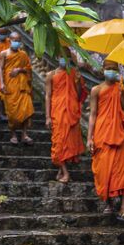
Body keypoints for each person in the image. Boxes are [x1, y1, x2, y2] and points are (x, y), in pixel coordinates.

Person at [87, 60, 124, 220]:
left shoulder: (122, 89)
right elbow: (93, 114)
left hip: (118, 134)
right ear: (103, 70)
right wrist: (89, 137)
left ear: (118, 71)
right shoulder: (96, 90)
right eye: (108, 68)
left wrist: (122, 95)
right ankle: (108, 204)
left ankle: (123, 207)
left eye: (114, 69)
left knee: (121, 172)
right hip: (102, 134)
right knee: (103, 171)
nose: (111, 71)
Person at [45, 53, 88, 183]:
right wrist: (47, 116)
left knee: (68, 143)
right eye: (61, 56)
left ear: (69, 59)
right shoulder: (50, 75)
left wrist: (79, 82)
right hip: (57, 111)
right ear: (57, 57)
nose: (63, 59)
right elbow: (48, 95)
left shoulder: (74, 74)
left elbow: (80, 95)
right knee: (59, 142)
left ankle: (62, 171)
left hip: (71, 112)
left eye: (66, 57)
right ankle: (66, 173)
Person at [0, 31, 34, 144]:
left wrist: (19, 70)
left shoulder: (23, 54)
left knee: (26, 111)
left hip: (23, 87)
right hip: (10, 86)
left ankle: (24, 134)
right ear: (9, 40)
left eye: (18, 41)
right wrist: (2, 83)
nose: (16, 43)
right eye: (14, 40)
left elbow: (29, 68)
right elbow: (0, 68)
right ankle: (13, 134)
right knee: (12, 113)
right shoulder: (4, 53)